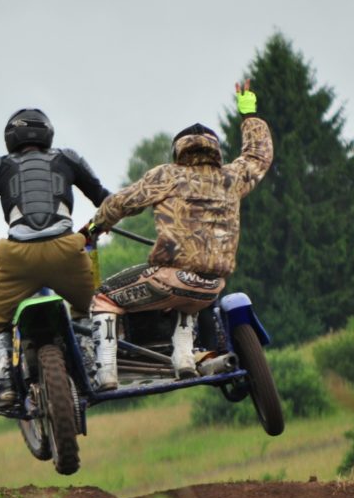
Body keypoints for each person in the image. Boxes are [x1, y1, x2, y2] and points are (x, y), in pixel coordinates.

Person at [85, 82, 274, 390]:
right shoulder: (232, 178)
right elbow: (258, 156)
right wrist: (249, 112)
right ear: (215, 150)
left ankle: (106, 372)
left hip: (169, 279)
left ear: (178, 151)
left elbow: (122, 202)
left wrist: (96, 225)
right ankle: (184, 359)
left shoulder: (167, 175)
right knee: (189, 301)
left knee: (103, 297)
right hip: (212, 286)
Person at [0, 107, 110, 408]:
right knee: (91, 308)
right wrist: (92, 231)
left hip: (16, 258)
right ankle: (90, 369)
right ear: (47, 133)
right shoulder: (68, 158)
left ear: (11, 137)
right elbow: (106, 200)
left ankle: (7, 386)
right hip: (67, 251)